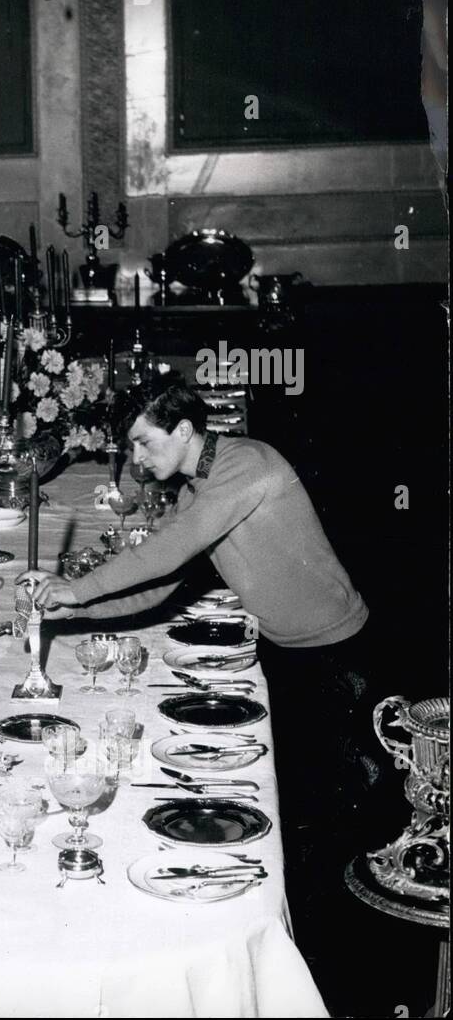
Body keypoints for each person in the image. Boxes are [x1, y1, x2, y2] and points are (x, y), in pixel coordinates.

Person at [23, 378, 386, 975]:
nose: (136, 461)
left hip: (338, 659)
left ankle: (337, 978)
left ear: (184, 430)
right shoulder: (202, 485)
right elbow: (163, 581)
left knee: (336, 836)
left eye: (143, 444)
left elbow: (165, 552)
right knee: (294, 821)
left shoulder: (248, 465)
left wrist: (76, 585)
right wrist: (74, 609)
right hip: (290, 655)